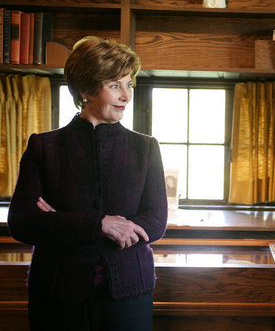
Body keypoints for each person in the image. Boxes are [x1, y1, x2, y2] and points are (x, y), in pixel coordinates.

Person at [8, 36, 168, 331]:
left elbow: (155, 222)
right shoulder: (44, 146)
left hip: (129, 295)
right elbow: (22, 222)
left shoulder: (146, 148)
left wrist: (59, 221)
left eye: (129, 84)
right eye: (115, 85)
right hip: (57, 294)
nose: (126, 96)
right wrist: (98, 224)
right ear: (85, 89)